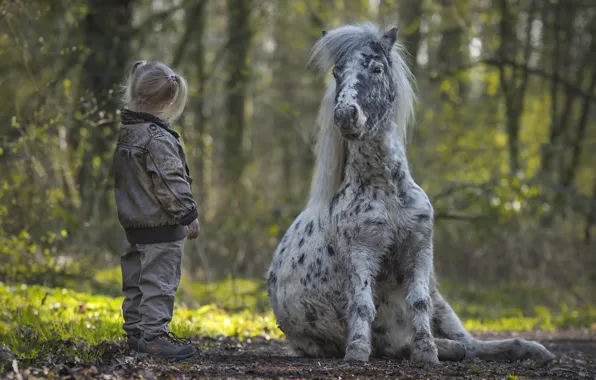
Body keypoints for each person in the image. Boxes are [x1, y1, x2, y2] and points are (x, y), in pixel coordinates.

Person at [112, 60, 200, 360]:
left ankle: (135, 334)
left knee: (135, 283)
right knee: (158, 284)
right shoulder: (157, 139)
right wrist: (188, 215)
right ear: (169, 100)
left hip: (133, 226)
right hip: (161, 228)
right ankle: (153, 338)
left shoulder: (128, 133)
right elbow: (170, 181)